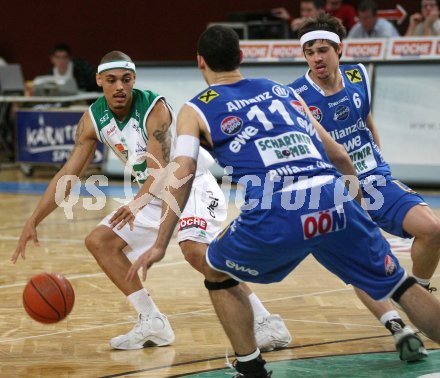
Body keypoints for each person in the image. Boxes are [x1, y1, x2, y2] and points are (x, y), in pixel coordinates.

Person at [126, 25, 440, 377]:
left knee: (216, 270)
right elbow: (338, 155)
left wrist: (159, 243)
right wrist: (355, 208)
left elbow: (181, 176)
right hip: (333, 193)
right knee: (401, 283)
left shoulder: (195, 109)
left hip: (278, 207)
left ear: (200, 62)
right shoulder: (280, 90)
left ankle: (250, 367)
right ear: (241, 57)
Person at [11, 51, 291, 352]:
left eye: (126, 80)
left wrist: (135, 204)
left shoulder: (153, 108)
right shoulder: (94, 118)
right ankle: (152, 322)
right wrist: (33, 220)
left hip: (190, 183)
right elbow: (69, 174)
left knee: (196, 251)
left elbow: (159, 169)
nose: (119, 87)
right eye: (111, 80)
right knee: (100, 242)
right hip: (153, 193)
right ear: (99, 81)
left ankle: (266, 323)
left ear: (134, 80)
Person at [290, 11, 440, 360]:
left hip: (375, 179)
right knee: (362, 261)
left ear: (338, 49)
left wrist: (380, 160)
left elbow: (365, 120)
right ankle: (397, 327)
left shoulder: (358, 75)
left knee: (432, 229)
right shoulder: (295, 96)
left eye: (322, 49)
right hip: (335, 188)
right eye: (310, 51)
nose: (316, 57)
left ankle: (417, 296)